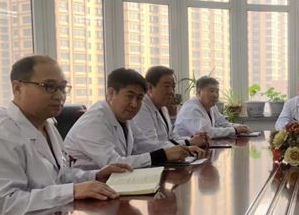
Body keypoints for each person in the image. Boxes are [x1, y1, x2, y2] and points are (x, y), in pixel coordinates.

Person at [0, 56, 127, 215]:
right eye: (49, 86)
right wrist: (71, 192)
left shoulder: (48, 125)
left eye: (62, 88)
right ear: (17, 88)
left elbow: (59, 177)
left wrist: (96, 176)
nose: (59, 96)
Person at [65, 67, 205, 169]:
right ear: (111, 93)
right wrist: (163, 155)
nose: (134, 104)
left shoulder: (124, 116)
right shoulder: (94, 121)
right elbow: (113, 163)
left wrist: (182, 148)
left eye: (139, 98)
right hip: (83, 190)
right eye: (129, 96)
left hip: (110, 184)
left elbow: (144, 145)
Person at [132, 65, 208, 153]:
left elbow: (173, 138)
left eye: (173, 87)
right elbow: (151, 146)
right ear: (149, 87)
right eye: (167, 86)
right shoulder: (141, 108)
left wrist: (193, 139)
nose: (172, 91)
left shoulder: (163, 108)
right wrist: (189, 142)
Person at [175, 76, 251, 138]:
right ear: (198, 92)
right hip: (185, 149)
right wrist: (235, 130)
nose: (215, 95)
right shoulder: (191, 109)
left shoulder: (212, 107)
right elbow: (206, 133)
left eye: (217, 92)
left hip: (202, 147)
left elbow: (223, 124)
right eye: (211, 91)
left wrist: (241, 127)